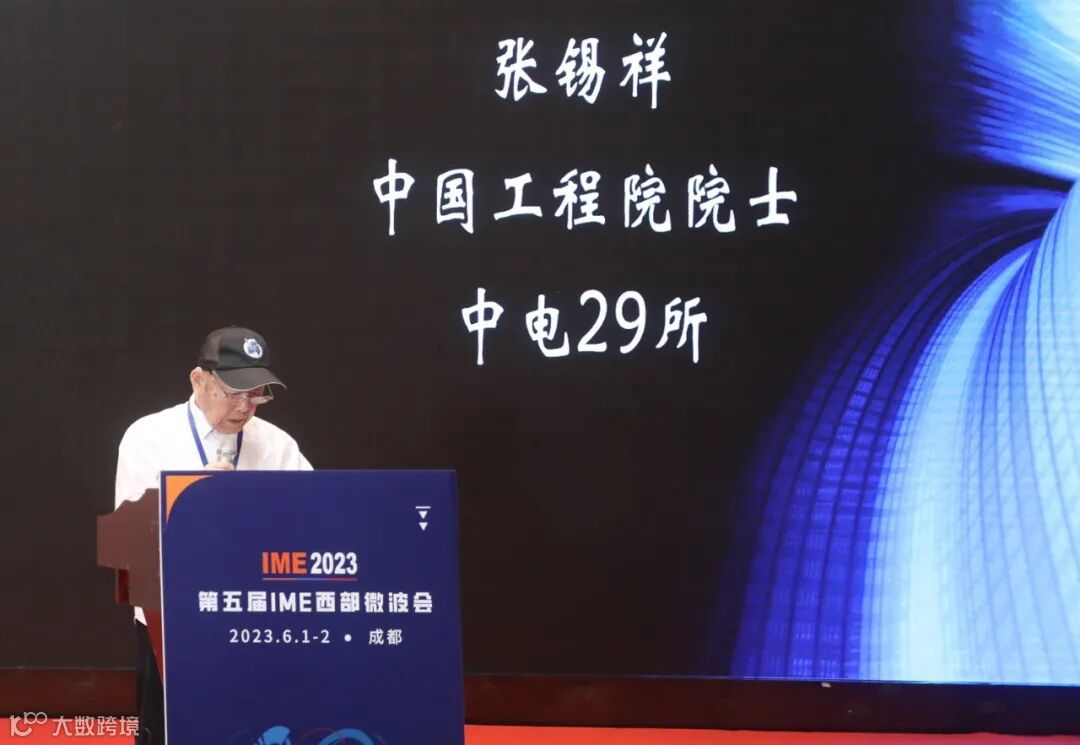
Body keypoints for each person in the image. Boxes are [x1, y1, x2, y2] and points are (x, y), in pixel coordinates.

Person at [114, 326, 311, 745]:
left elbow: (314, 517)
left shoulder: (276, 445)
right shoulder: (148, 437)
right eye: (234, 393)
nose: (245, 407)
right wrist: (190, 499)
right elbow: (128, 540)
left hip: (256, 617)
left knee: (256, 728)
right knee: (171, 730)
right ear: (198, 380)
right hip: (172, 621)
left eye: (256, 394)